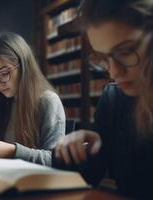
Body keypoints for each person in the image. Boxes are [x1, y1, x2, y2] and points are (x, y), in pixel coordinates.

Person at [53, 0, 153, 198]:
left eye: (125, 52)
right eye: (103, 58)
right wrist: (79, 153)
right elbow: (87, 179)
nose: (114, 72)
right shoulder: (115, 98)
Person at [0, 32, 65, 166]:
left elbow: (56, 160)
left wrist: (13, 151)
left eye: (4, 73)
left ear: (24, 66)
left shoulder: (48, 101)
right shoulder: (1, 100)